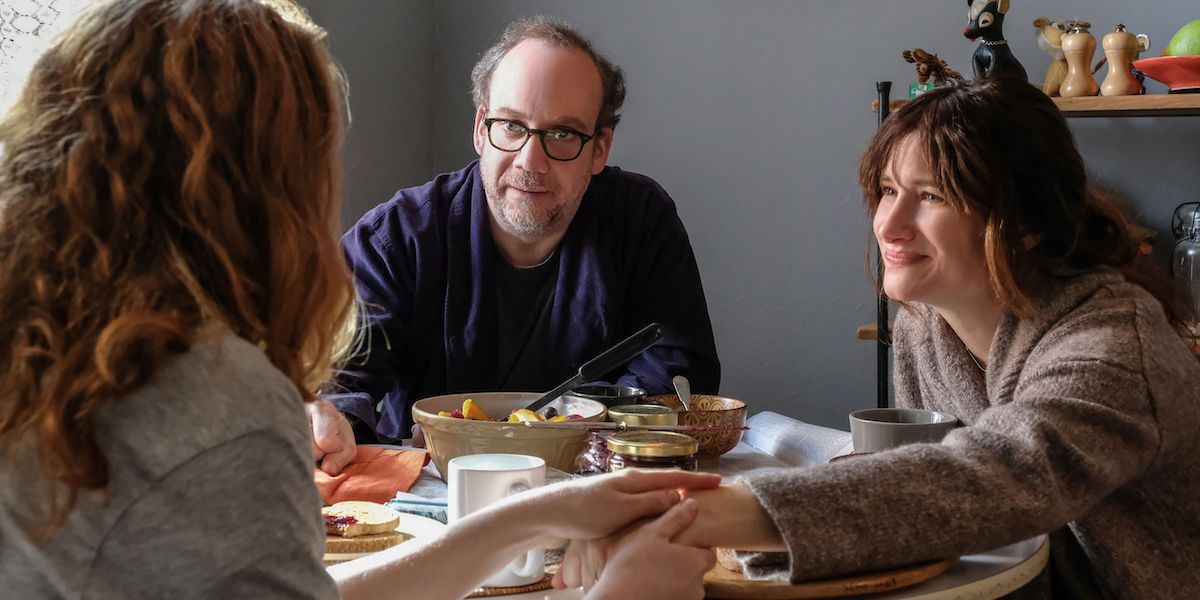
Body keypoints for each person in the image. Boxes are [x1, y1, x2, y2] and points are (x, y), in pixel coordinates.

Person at [0, 2, 716, 599]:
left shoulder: (43, 345)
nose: (530, 157)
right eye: (316, 158)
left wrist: (521, 521)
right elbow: (346, 392)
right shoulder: (222, 406)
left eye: (560, 134)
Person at [557, 79, 1200, 598]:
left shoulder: (1114, 346)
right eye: (888, 189)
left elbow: (994, 477)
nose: (888, 222)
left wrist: (689, 517)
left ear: (1027, 224)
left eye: (931, 196)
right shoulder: (928, 326)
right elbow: (919, 485)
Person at [311, 16, 721, 469]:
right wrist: (336, 423)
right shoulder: (397, 239)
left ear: (600, 147)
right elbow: (338, 382)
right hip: (435, 492)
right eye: (511, 126)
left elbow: (677, 377)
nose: (531, 160)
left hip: (595, 485)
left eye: (562, 134)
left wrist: (563, 436)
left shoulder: (640, 221)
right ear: (480, 127)